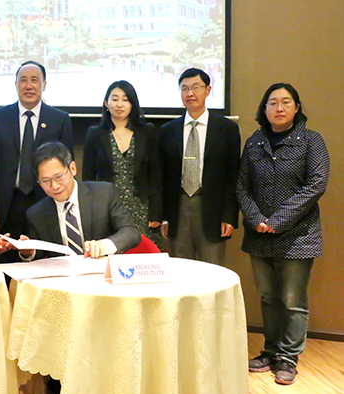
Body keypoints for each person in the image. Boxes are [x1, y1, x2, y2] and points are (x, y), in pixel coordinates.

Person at [238, 83, 329, 385]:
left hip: (298, 236)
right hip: (259, 234)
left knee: (292, 300)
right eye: (273, 102)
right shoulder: (254, 141)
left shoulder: (312, 141)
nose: (279, 108)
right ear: (264, 109)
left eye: (286, 102)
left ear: (296, 107)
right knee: (268, 297)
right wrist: (255, 218)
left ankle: (288, 358)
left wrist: (277, 220)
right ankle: (270, 351)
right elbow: (241, 185)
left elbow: (316, 184)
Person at [0, 60, 74, 240]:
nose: (28, 86)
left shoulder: (60, 119)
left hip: (47, 200)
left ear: (44, 85)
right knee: (7, 252)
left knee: (45, 252)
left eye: (34, 80)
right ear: (16, 84)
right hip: (8, 202)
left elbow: (67, 168)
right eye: (23, 80)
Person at [157, 67, 240, 265]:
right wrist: (164, 217)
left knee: (212, 270)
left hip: (212, 207)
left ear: (208, 90)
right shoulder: (168, 131)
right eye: (185, 89)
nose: (190, 93)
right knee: (180, 269)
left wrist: (229, 215)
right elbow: (161, 177)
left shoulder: (226, 129)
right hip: (178, 207)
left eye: (196, 87)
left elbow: (233, 176)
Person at [20, 142, 140, 260]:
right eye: (46, 181)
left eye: (59, 177)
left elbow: (130, 232)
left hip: (101, 269)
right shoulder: (36, 214)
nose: (55, 186)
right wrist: (29, 252)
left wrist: (103, 245)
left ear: (72, 168)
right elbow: (39, 253)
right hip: (62, 272)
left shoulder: (104, 194)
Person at [83, 80, 162, 249]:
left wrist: (156, 212)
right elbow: (88, 177)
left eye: (125, 99)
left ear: (132, 104)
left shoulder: (147, 131)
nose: (119, 104)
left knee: (143, 253)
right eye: (115, 99)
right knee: (109, 251)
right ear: (106, 103)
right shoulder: (95, 134)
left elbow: (155, 174)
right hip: (106, 207)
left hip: (141, 206)